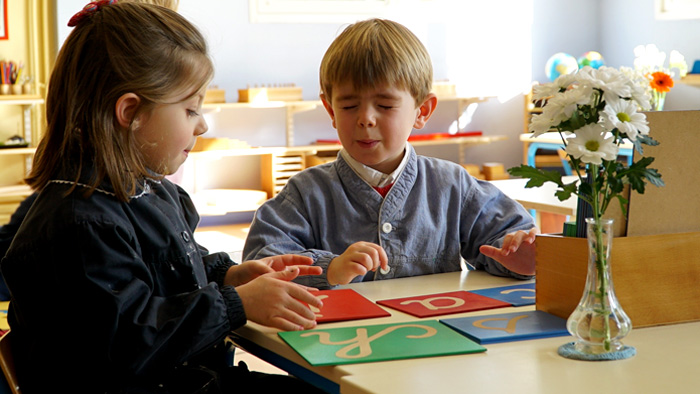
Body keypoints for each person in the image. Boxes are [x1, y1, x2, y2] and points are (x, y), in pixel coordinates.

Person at [1, 2, 325, 393]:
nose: (203, 124)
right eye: (190, 110)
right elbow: (128, 344)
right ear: (131, 112)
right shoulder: (79, 225)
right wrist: (235, 304)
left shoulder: (151, 192)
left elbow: (170, 272)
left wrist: (229, 275)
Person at [243, 18, 538, 290]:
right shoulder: (306, 193)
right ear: (331, 110)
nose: (366, 119)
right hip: (341, 342)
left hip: (435, 338)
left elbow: (509, 240)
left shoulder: (452, 185)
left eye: (384, 106)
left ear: (421, 111)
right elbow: (260, 263)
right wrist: (329, 268)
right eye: (348, 106)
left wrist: (519, 257)